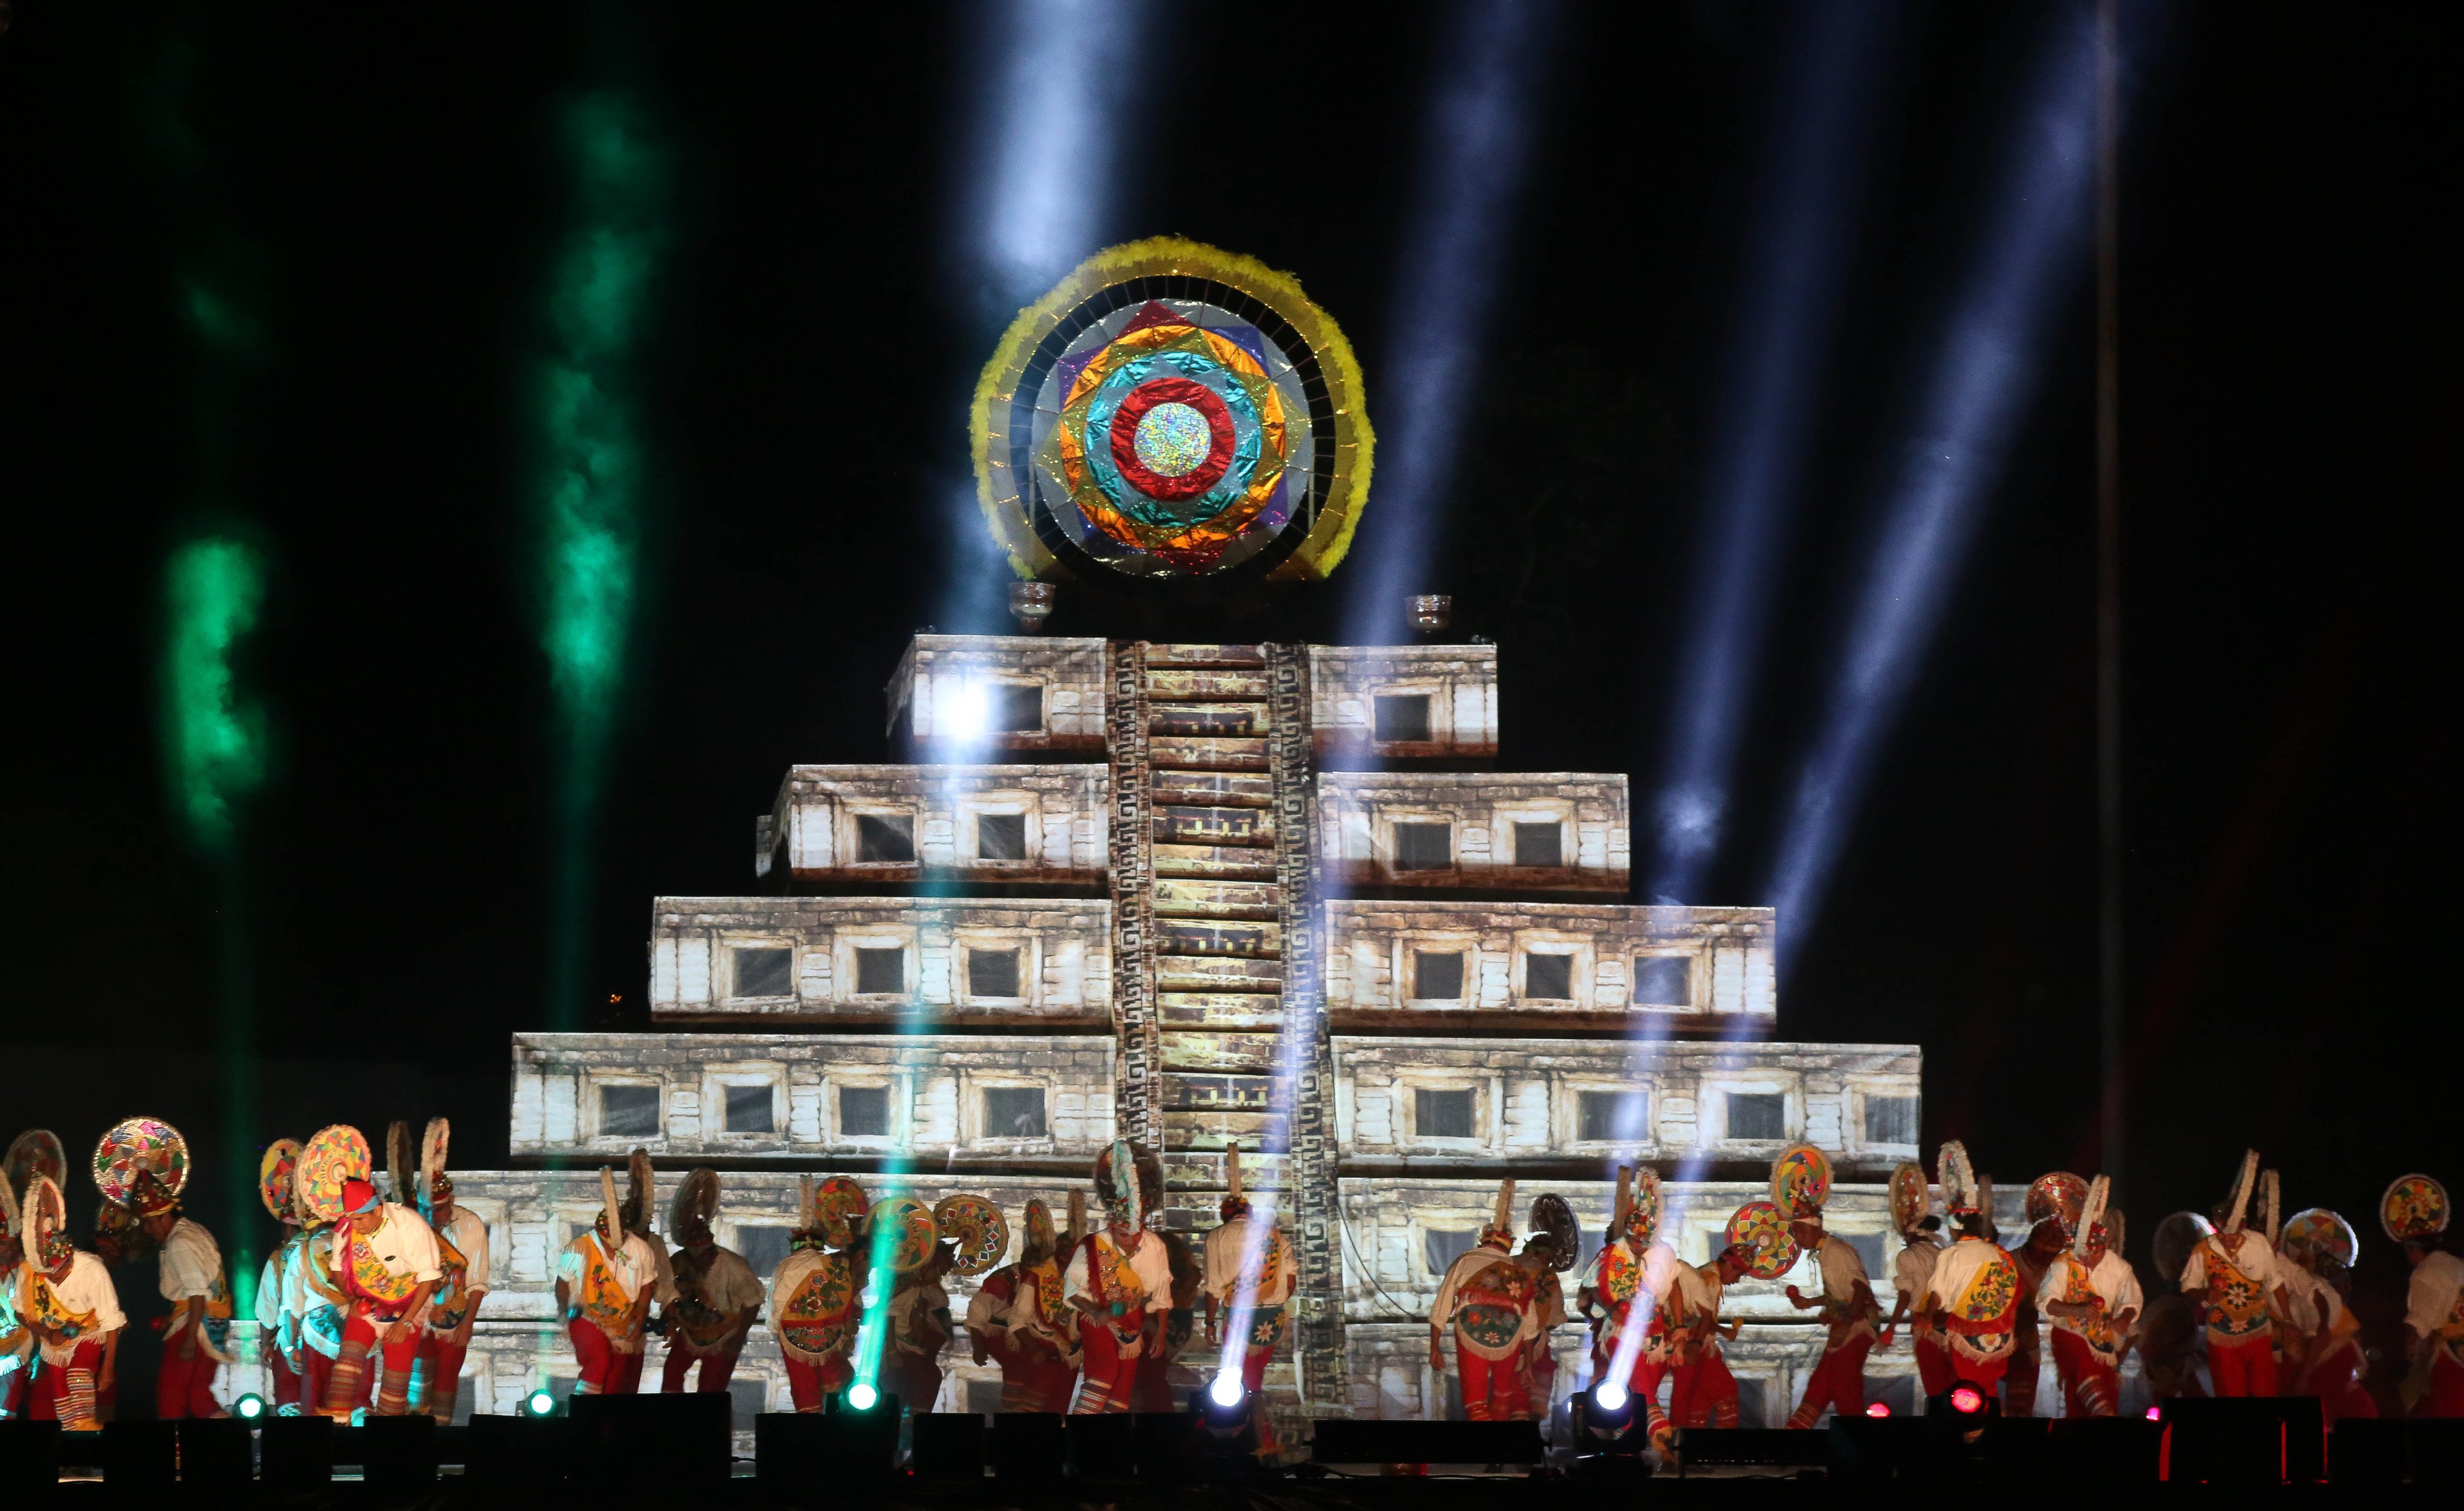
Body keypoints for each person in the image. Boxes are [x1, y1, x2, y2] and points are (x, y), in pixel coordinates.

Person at [1576, 1166, 1684, 1449]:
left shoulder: (1662, 1253)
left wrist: (1681, 1329)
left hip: (1657, 1335)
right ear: (1628, 1234)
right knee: (1640, 1391)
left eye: (1645, 1241)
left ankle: (1629, 1447)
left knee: (1636, 1394)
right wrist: (1609, 1308)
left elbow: (1675, 1290)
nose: (1640, 1247)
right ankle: (1663, 1443)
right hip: (1619, 1332)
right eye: (1636, 1241)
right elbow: (1588, 1289)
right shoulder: (1610, 1254)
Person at [1773, 1145, 1878, 1427]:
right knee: (1821, 1386)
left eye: (1798, 1230)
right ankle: (1792, 1442)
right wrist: (1811, 1302)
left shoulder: (1836, 1251)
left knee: (1845, 1390)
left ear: (1815, 1227)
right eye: (1794, 1230)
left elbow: (1861, 1291)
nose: (1795, 1236)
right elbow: (1840, 1293)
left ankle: (1857, 1453)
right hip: (1847, 1322)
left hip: (1856, 1325)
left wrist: (1845, 1321)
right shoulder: (1826, 1251)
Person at [1065, 1141, 1172, 1414]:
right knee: (1103, 1373)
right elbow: (1071, 1290)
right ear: (1112, 1227)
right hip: (1098, 1318)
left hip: (1133, 1317)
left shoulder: (1155, 1245)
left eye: (1136, 1234)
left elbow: (1161, 1292)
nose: (1131, 1241)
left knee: (1123, 1387)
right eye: (1124, 1236)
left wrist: (1160, 1331)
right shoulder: (1093, 1245)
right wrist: (1095, 1310)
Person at [324, 1174, 441, 1418]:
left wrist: (406, 1322)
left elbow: (429, 1278)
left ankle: (385, 1449)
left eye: (360, 1219)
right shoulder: (347, 1227)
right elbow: (336, 1268)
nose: (354, 1225)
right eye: (350, 1219)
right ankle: (336, 1438)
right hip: (366, 1304)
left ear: (377, 1211)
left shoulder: (411, 1225)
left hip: (408, 1303)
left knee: (395, 1386)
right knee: (345, 1370)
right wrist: (351, 1300)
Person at [2178, 1151, 2292, 1398]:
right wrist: (2206, 1294)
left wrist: (2289, 1320)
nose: (2229, 1240)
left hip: (2258, 1330)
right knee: (2230, 1399)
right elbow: (2188, 1288)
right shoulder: (2204, 1250)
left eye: (2235, 1235)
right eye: (2224, 1234)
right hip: (2221, 1336)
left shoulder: (2259, 1243)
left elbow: (2276, 1283)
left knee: (2266, 1395)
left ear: (2243, 1226)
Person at [14, 1176, 125, 1428]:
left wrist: (108, 1368)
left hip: (88, 1334)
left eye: (56, 1272)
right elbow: (21, 1311)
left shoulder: (92, 1270)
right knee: (64, 1408)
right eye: (46, 1273)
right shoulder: (29, 1270)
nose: (51, 1278)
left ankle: (87, 1450)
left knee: (78, 1383)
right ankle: (74, 1458)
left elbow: (112, 1322)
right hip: (53, 1343)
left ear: (68, 1260)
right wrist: (47, 1333)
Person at [1429, 1181, 1539, 1422]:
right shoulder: (1519, 1272)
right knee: (1502, 1394)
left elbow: (1442, 1307)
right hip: (1510, 1336)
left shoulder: (1466, 1261)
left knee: (1476, 1399)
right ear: (1508, 1246)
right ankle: (1498, 1454)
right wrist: (1528, 1366)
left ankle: (1484, 1444)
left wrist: (1435, 1348)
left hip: (1473, 1330)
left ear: (1484, 1241)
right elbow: (1530, 1327)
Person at [1201, 1145, 1294, 1429]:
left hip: (1239, 1318)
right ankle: (1254, 1431)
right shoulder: (1275, 1237)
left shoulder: (1217, 1237)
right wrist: (1271, 1297)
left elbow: (1215, 1287)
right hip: (1274, 1317)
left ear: (1225, 1215)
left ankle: (1244, 1430)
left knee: (1237, 1377)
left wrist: (1209, 1322)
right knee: (1255, 1377)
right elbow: (1291, 1281)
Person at [1921, 1141, 2021, 1396]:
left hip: (1968, 1338)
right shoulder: (2000, 1254)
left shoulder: (1951, 1254)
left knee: (1965, 1395)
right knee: (1989, 1394)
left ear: (1955, 1228)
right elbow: (2015, 1291)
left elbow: (1937, 1296)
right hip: (2001, 1339)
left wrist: (1926, 1318)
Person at [2038, 1179, 2141, 1418]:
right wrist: (2078, 1310)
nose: (2087, 1260)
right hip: (2070, 1335)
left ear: (2104, 1246)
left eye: (2093, 1254)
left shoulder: (2120, 1268)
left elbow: (2132, 1303)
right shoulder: (2064, 1263)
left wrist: (2124, 1319)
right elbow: (2047, 1303)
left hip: (2104, 1342)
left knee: (2088, 1397)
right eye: (2083, 1254)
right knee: (2088, 1378)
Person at [659, 1168, 765, 1397]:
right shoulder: (678, 1261)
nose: (699, 1260)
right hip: (690, 1332)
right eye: (694, 1254)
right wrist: (669, 1321)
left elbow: (752, 1302)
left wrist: (738, 1338)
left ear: (711, 1248)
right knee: (672, 1372)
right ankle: (669, 1421)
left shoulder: (732, 1264)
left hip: (724, 1335)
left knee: (710, 1392)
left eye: (704, 1254)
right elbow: (669, 1293)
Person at [557, 1167, 657, 1398]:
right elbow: (562, 1283)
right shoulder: (579, 1248)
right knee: (599, 1362)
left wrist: (640, 1317)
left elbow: (646, 1285)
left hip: (622, 1321)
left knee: (615, 1379)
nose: (614, 1245)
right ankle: (582, 1416)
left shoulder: (641, 1250)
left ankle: (604, 1429)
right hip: (585, 1315)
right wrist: (565, 1310)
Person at [412, 1120, 487, 1422]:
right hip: (417, 1314)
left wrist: (467, 1324)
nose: (432, 1216)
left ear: (451, 1201)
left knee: (445, 1383)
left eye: (439, 1210)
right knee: (416, 1385)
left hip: (454, 1317)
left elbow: (478, 1281)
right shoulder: (412, 1223)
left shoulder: (471, 1225)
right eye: (426, 1209)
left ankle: (439, 1446)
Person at [770, 1177, 862, 1412]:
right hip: (828, 1333)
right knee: (835, 1378)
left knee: (804, 1386)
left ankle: (810, 1429)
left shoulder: (785, 1265)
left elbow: (777, 1301)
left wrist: (776, 1329)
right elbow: (848, 1297)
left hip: (793, 1333)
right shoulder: (835, 1264)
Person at [2278, 1207, 2372, 1422]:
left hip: (2328, 1357)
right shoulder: (2287, 1282)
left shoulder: (2314, 1288)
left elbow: (2323, 1334)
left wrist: (2304, 1377)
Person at [2004, 1173, 2087, 1416]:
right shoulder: (2008, 1264)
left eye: (2050, 1256)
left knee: (2021, 1408)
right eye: (2040, 1253)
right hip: (1999, 1339)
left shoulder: (2062, 1269)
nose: (2044, 1260)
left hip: (2029, 1347)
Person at [2383, 1173, 2463, 1416]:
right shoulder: (2458, 1263)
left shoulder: (2423, 1273)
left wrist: (2411, 1348)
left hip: (2450, 1357)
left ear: (2413, 1250)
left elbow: (2419, 1323)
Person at [1879, 1159, 1952, 1396]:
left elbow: (1905, 1296)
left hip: (1926, 1325)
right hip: (1952, 1326)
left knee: (1936, 1388)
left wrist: (1890, 1328)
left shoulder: (1907, 1256)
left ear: (1909, 1236)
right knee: (1956, 1387)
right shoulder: (1942, 1253)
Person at [1669, 1242, 1756, 1429]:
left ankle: (1686, 1450)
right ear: (1729, 1265)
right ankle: (1722, 1451)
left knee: (1696, 1402)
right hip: (1695, 1345)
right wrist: (1725, 1331)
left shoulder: (1709, 1274)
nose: (1737, 1280)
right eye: (1738, 1274)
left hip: (1692, 1343)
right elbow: (1699, 1318)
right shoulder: (1710, 1278)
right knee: (1727, 1394)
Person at [255, 1141, 305, 1415]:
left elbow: (267, 1309)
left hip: (290, 1342)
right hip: (325, 1340)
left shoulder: (279, 1259)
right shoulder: (325, 1249)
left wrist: (265, 1344)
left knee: (290, 1401)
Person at [1517, 1233, 1568, 1420]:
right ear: (1546, 1256)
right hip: (1534, 1342)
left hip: (1499, 1339)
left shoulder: (1505, 1265)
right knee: (1542, 1371)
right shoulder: (1546, 1274)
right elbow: (1555, 1317)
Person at [0, 1174, 29, 1417]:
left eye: (7, 1241)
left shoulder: (29, 1272)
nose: (2, 1246)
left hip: (18, 1350)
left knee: (7, 1412)